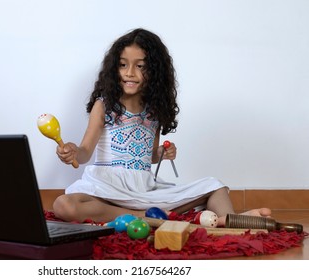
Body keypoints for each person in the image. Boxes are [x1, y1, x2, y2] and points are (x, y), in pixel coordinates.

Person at [53, 28, 271, 226]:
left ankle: (228, 220)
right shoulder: (104, 106)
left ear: (155, 72)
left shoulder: (154, 111)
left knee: (215, 186)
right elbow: (84, 153)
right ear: (114, 68)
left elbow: (150, 157)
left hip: (145, 189)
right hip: (108, 187)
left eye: (140, 66)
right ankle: (145, 217)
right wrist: (74, 151)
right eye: (122, 64)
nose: (129, 72)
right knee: (64, 205)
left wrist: (161, 153)